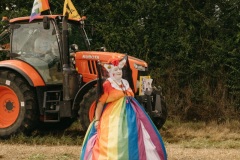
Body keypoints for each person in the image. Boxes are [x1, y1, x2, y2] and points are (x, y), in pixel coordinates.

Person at [80, 56, 167, 160]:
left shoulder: (125, 83)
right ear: (110, 71)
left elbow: (131, 96)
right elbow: (100, 103)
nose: (119, 71)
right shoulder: (107, 85)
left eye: (120, 69)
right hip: (114, 116)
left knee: (135, 135)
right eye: (116, 69)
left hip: (131, 115)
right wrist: (97, 119)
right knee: (117, 138)